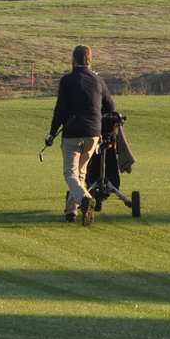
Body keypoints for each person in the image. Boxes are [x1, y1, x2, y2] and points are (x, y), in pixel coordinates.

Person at [46, 43, 116, 226]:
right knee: (81, 173)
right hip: (93, 133)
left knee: (70, 173)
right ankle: (71, 212)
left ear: (74, 59)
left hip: (72, 133)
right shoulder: (98, 80)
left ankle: (85, 199)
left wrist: (52, 133)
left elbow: (60, 110)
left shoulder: (67, 80)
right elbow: (110, 106)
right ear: (90, 60)